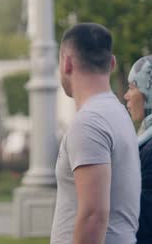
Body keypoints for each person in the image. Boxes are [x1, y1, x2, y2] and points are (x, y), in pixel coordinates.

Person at [51, 23, 141, 244]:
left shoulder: (89, 123)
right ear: (111, 63)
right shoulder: (118, 113)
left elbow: (94, 216)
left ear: (67, 62)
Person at [124, 55, 152, 243]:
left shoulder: (150, 150)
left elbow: (144, 221)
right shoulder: (145, 140)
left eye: (132, 86)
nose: (126, 95)